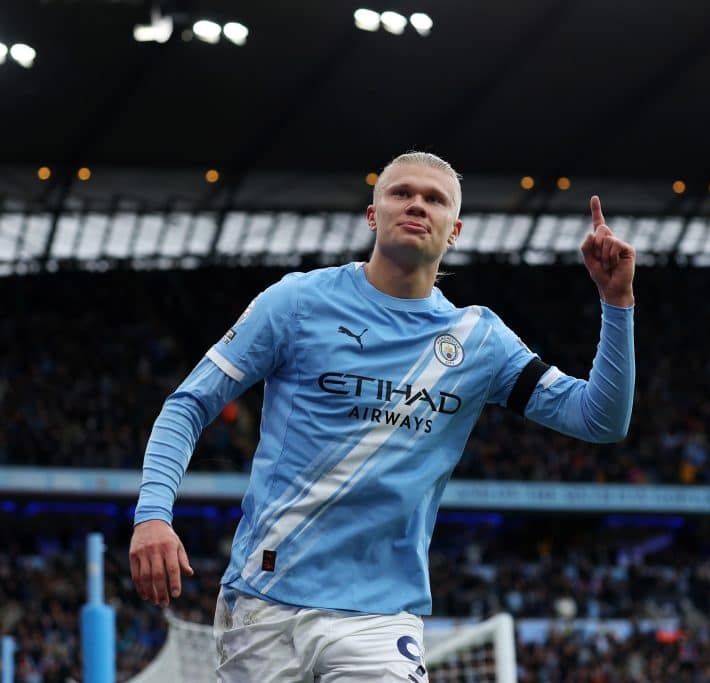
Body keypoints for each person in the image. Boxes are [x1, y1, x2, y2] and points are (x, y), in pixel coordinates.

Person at [130, 151, 636, 681]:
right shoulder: (297, 302)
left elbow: (599, 419)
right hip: (264, 602)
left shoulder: (479, 340)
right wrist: (152, 515)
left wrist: (617, 302)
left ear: (454, 230)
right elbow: (188, 404)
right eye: (402, 193)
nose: (417, 204)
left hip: (380, 616)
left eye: (435, 199)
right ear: (373, 215)